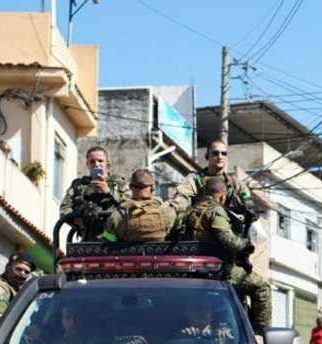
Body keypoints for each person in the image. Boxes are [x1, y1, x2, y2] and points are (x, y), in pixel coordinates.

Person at [179, 177, 271, 333]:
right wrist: (246, 244)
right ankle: (260, 332)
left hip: (190, 268)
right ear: (222, 196)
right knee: (261, 287)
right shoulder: (215, 211)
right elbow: (227, 240)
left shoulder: (190, 212)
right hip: (217, 271)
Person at [59, 146, 131, 241]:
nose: (97, 164)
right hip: (88, 238)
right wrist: (77, 219)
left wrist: (109, 192)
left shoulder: (119, 183)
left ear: (107, 165)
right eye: (92, 162)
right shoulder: (78, 185)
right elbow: (64, 209)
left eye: (100, 161)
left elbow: (130, 206)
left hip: (115, 239)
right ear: (87, 164)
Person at [170, 139, 256, 217]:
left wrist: (248, 204)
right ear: (207, 156)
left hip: (227, 226)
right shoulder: (195, 179)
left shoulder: (234, 182)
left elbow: (246, 197)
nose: (220, 156)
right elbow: (182, 197)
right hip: (200, 226)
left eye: (224, 153)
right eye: (215, 153)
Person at [105, 169, 176, 242]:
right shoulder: (167, 211)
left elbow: (108, 241)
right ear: (153, 188)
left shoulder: (117, 216)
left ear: (130, 187)